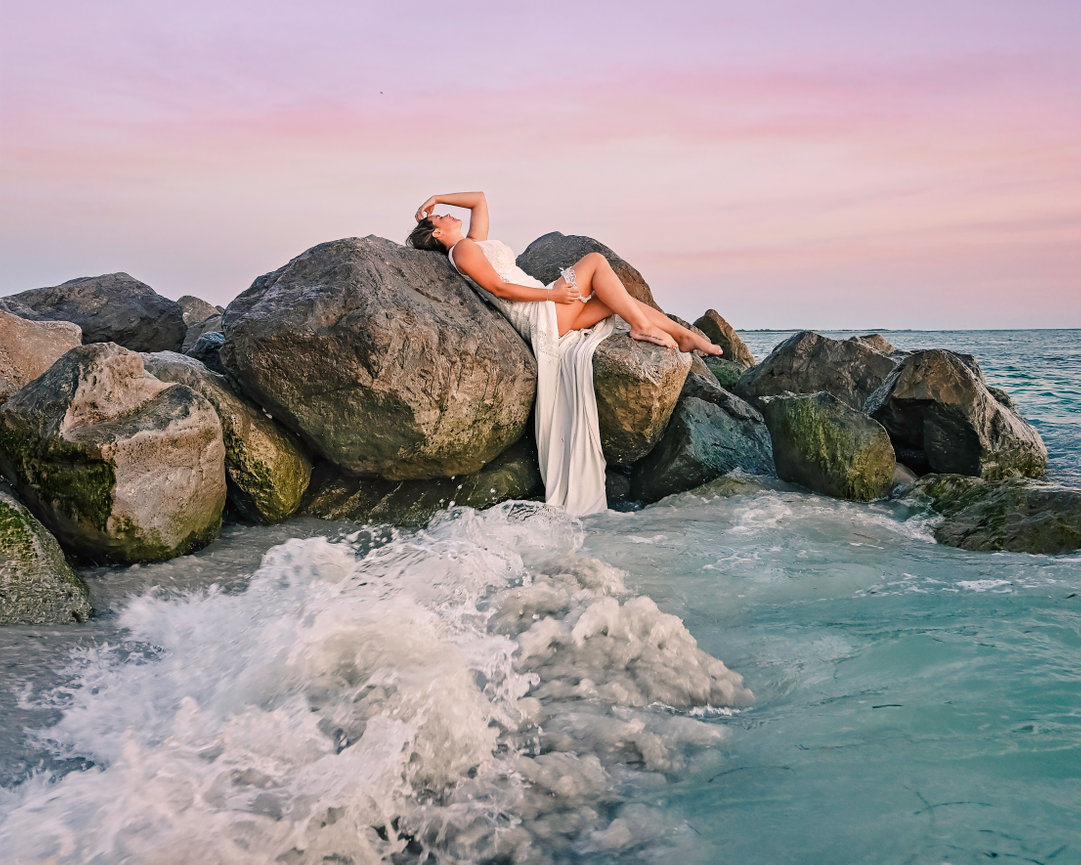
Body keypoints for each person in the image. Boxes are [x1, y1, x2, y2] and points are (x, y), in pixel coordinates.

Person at [407, 191, 721, 516]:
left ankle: (682, 336)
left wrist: (436, 197)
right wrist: (552, 293)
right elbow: (499, 289)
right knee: (596, 261)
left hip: (549, 310)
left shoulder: (472, 242)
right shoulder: (461, 251)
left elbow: (480, 201)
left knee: (612, 301)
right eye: (440, 216)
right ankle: (642, 326)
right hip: (540, 314)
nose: (445, 214)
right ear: (437, 233)